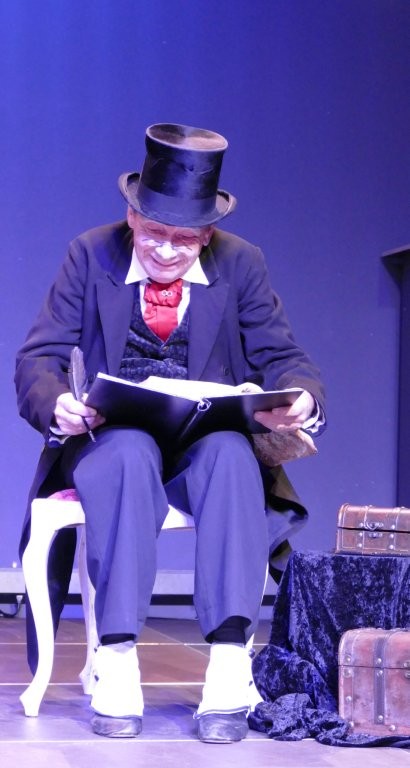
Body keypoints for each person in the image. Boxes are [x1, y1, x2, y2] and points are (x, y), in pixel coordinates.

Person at [15, 123, 326, 743]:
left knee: (232, 455)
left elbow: (284, 356)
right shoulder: (90, 254)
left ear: (207, 234)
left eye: (184, 239)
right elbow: (39, 358)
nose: (165, 250)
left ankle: (229, 664)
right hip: (110, 440)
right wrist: (60, 405)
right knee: (129, 453)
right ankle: (116, 658)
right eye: (154, 233)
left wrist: (301, 397)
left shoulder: (240, 262)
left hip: (200, 444)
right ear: (132, 218)